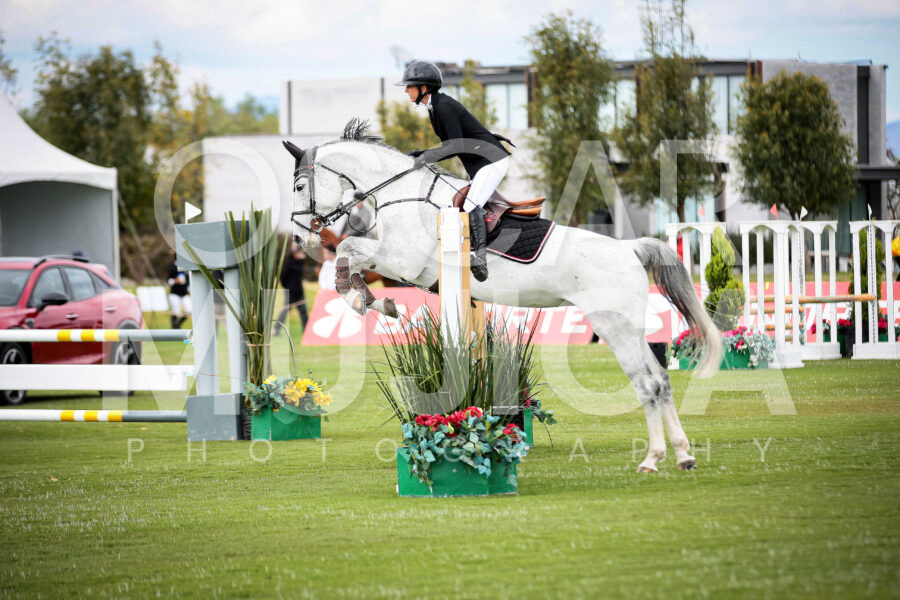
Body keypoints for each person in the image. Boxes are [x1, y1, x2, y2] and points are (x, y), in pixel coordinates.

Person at [398, 60, 513, 282]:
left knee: (470, 206)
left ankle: (479, 259)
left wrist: (426, 157)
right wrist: (423, 153)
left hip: (492, 160)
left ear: (424, 88)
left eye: (409, 86)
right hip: (481, 164)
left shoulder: (443, 106)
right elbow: (451, 145)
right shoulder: (435, 108)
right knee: (463, 204)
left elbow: (456, 146)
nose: (406, 91)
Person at [274, 243, 309, 335]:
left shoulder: (300, 262)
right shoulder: (288, 262)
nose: (302, 254)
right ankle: (276, 329)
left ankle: (306, 331)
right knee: (285, 311)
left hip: (299, 291)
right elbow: (282, 277)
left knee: (303, 311)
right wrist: (287, 287)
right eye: (300, 253)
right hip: (290, 292)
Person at [166, 251, 191, 328]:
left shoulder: (185, 267)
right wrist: (176, 280)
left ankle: (178, 324)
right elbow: (169, 281)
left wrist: (189, 291)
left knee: (189, 310)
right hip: (175, 293)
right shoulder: (173, 267)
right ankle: (174, 327)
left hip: (184, 293)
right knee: (176, 312)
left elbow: (187, 281)